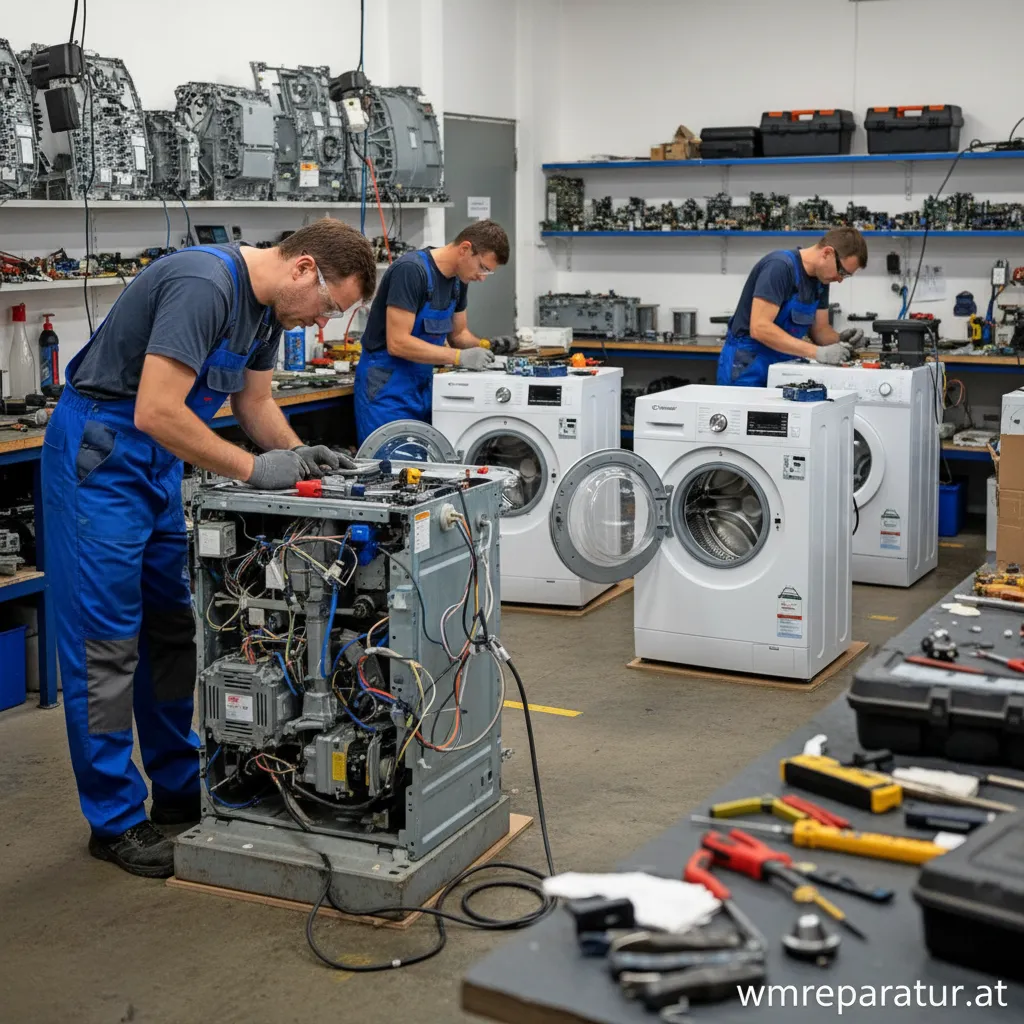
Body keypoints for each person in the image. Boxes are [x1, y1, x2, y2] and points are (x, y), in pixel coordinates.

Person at [41, 220, 377, 878]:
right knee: (105, 645)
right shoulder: (204, 284)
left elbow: (253, 402)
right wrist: (256, 472)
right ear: (305, 269)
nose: (326, 321)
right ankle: (114, 820)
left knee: (174, 631)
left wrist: (302, 462)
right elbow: (157, 411)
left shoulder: (265, 311)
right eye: (331, 307)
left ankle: (174, 787)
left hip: (160, 466)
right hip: (102, 455)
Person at [354, 220, 510, 444]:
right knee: (389, 468)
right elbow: (398, 343)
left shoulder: (458, 281)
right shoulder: (411, 271)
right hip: (386, 388)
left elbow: (459, 335)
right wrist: (459, 357)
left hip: (422, 387)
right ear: (465, 249)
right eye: (483, 268)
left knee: (424, 469)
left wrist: (488, 347)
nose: (482, 277)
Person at [716, 228, 869, 387]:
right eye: (842, 272)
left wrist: (841, 341)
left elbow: (820, 330)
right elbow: (760, 328)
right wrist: (817, 353)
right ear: (827, 253)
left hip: (784, 364)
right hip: (748, 364)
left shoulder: (821, 281)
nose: (840, 279)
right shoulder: (779, 267)